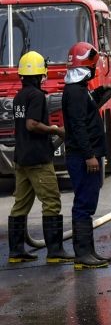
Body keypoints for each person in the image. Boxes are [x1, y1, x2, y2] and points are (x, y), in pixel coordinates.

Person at [7, 51, 72, 264]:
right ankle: (55, 252)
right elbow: (31, 124)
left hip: (21, 158)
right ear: (39, 74)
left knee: (20, 205)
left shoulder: (19, 96)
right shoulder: (36, 96)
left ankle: (16, 252)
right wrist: (55, 130)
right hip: (37, 159)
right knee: (51, 202)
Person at [63, 42, 111, 269]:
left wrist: (96, 94)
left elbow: (83, 112)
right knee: (83, 204)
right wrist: (89, 155)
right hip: (83, 158)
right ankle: (82, 255)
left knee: (88, 204)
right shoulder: (74, 92)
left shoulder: (80, 90)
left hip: (86, 155)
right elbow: (78, 126)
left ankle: (89, 251)